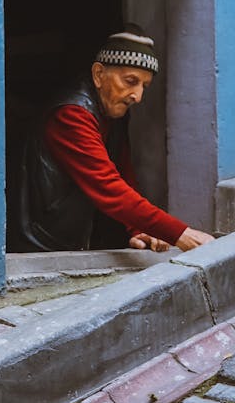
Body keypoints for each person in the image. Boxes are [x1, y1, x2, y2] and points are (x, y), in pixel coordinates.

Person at [15, 25, 214, 253]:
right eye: (130, 81)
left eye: (144, 86)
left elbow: (123, 174)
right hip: (41, 245)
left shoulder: (112, 112)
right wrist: (179, 233)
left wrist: (138, 229)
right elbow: (109, 188)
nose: (137, 96)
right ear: (99, 75)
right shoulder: (71, 116)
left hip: (68, 243)